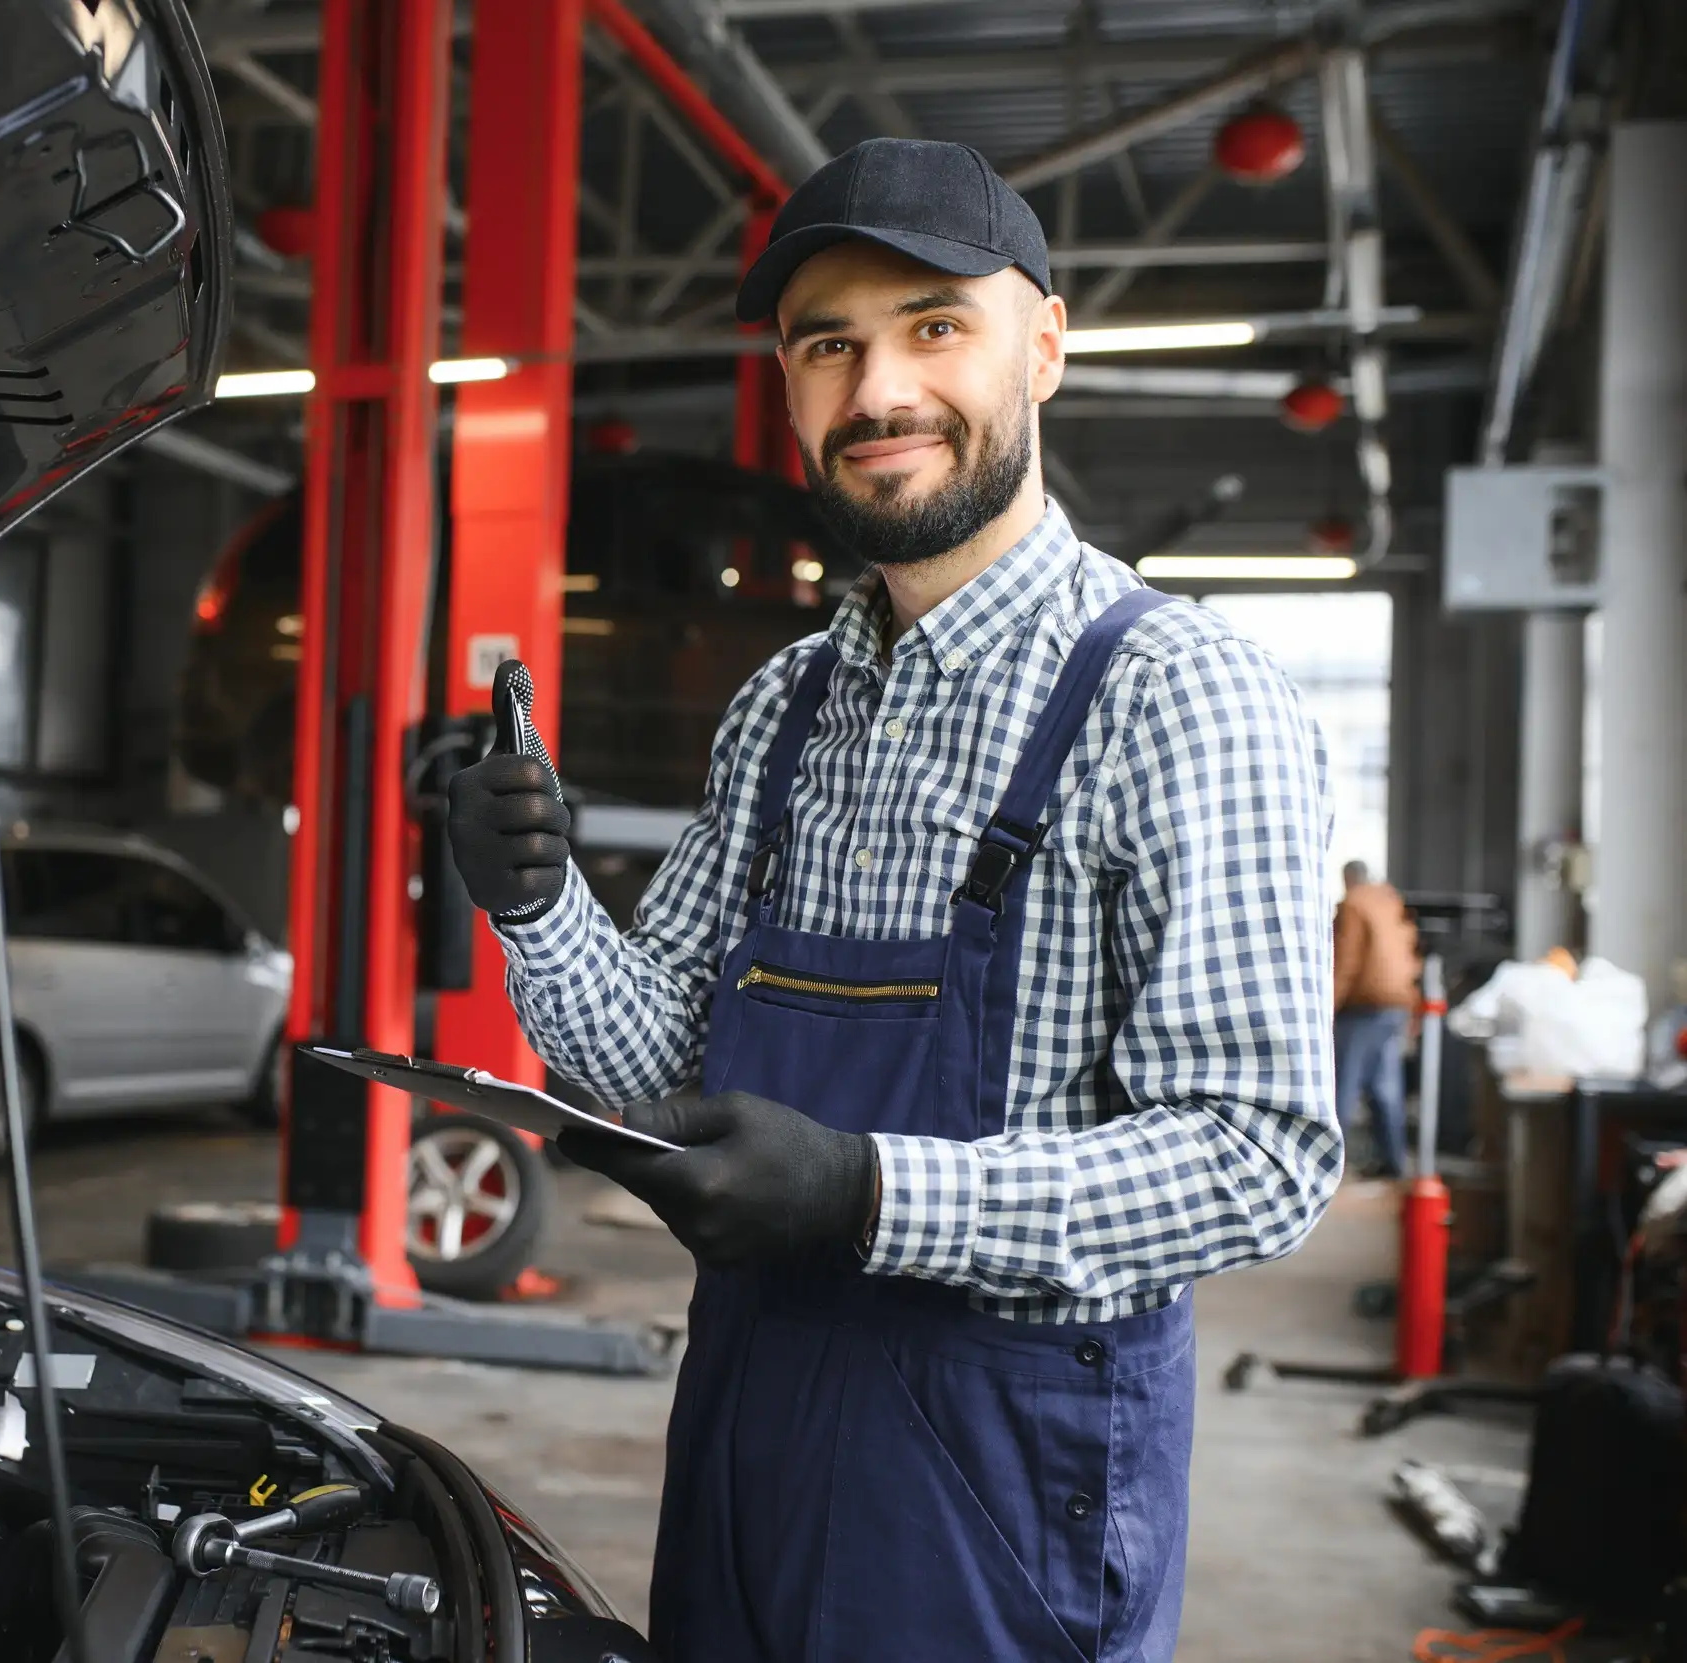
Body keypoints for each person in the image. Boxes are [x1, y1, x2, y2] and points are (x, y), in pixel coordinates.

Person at [446, 137, 1339, 1661]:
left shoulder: (1184, 699)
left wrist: (871, 1192)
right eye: (828, 345)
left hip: (1003, 1474)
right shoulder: (784, 704)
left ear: (1043, 346)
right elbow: (669, 1072)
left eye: (935, 326)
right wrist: (536, 903)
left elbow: (1260, 1154)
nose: (877, 392)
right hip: (748, 1417)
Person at [1332, 859, 1423, 1176]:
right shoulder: (1389, 900)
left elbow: (1347, 960)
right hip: (1395, 1005)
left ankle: (1329, 1168)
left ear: (1348, 879)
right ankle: (1395, 1162)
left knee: (1341, 1086)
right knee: (1386, 1087)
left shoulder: (1353, 905)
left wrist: (1327, 1008)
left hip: (1363, 1007)